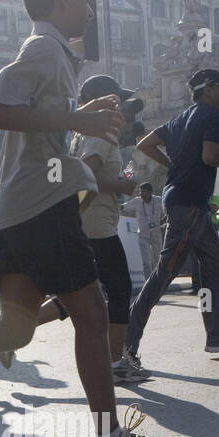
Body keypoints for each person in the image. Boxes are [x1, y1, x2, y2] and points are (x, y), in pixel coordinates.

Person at [0, 0, 170, 437]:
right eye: (85, 2)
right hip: (39, 204)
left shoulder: (54, 50)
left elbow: (35, 117)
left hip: (14, 206)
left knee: (12, 329)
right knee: (93, 312)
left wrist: (80, 110)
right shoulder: (43, 47)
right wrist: (77, 120)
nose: (92, 11)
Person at [124, 68, 219, 373]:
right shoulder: (213, 116)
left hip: (188, 203)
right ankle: (126, 344)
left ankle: (217, 334)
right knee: (163, 275)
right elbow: (209, 157)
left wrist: (173, 164)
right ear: (207, 90)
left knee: (215, 266)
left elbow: (143, 145)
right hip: (190, 203)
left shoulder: (179, 119)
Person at [70, 75, 146, 386]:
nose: (121, 106)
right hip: (96, 224)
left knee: (80, 294)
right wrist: (121, 185)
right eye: (116, 100)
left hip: (90, 221)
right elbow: (85, 175)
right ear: (101, 101)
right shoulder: (100, 133)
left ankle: (19, 329)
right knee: (118, 289)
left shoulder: (81, 132)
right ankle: (116, 361)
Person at [122, 182, 163, 278]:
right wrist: (113, 206)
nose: (141, 194)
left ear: (150, 192)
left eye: (143, 192)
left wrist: (163, 220)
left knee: (157, 259)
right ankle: (148, 283)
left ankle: (157, 281)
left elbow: (168, 208)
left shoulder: (158, 200)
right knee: (146, 262)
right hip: (143, 234)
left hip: (156, 233)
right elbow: (123, 207)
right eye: (140, 192)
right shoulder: (137, 201)